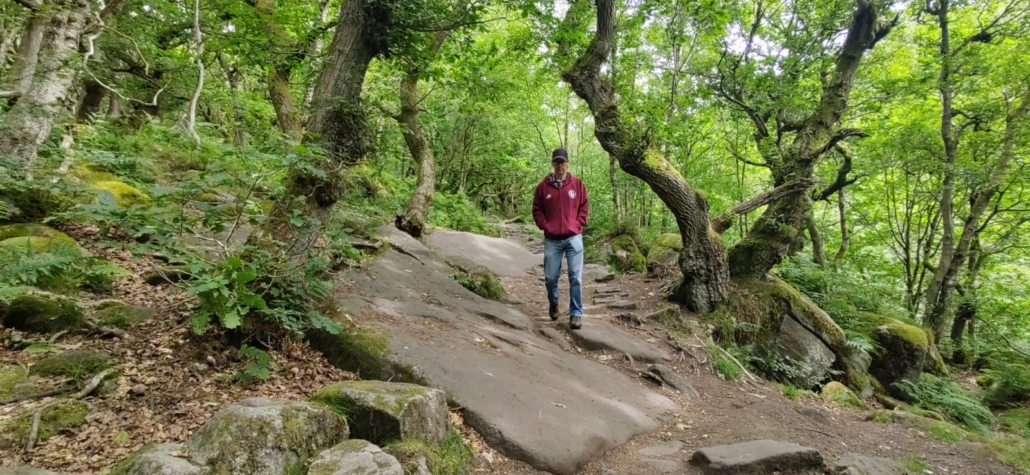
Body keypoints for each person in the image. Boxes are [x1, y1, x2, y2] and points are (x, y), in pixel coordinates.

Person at [532, 148, 589, 329]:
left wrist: (579, 223)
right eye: (557, 162)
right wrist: (545, 225)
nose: (560, 166)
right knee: (550, 277)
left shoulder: (577, 184)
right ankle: (554, 301)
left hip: (574, 237)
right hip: (552, 239)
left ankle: (576, 313)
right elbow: (537, 210)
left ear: (568, 164)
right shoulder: (543, 186)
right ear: (552, 164)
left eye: (563, 162)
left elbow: (584, 206)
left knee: (576, 277)